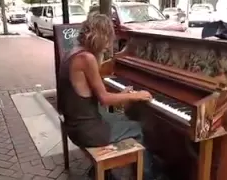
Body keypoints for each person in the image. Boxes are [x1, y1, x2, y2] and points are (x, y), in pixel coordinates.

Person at [58, 14, 165, 180]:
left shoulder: (73, 51)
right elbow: (104, 99)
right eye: (109, 37)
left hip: (74, 124)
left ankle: (104, 173)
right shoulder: (87, 58)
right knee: (140, 128)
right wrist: (136, 95)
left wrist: (122, 94)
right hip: (87, 130)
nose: (110, 43)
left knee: (120, 118)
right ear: (101, 36)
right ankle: (147, 176)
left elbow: (91, 91)